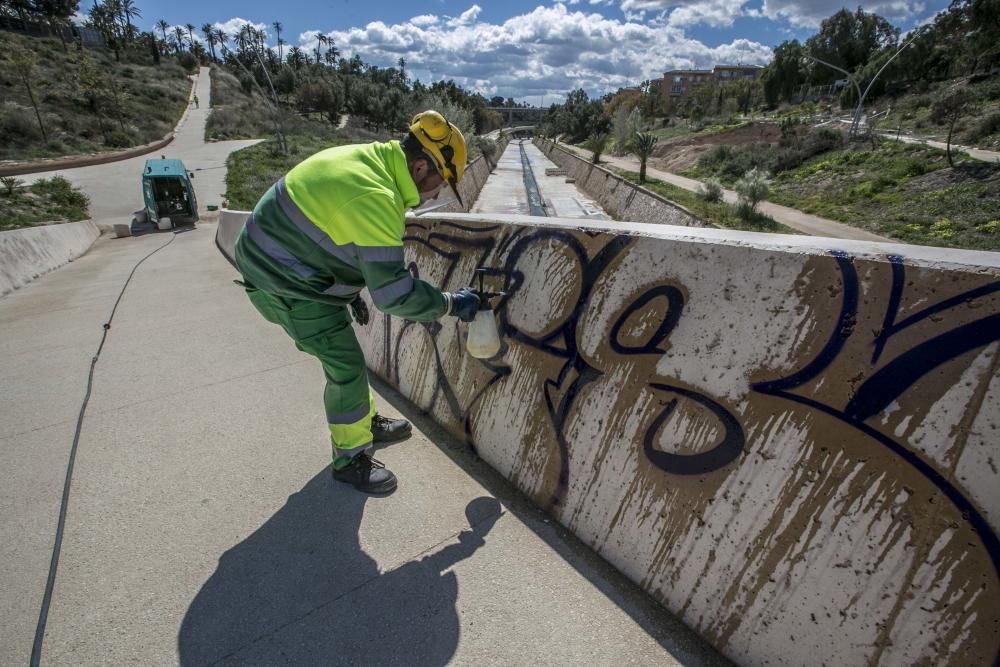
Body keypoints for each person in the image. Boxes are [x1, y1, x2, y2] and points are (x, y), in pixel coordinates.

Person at [234, 111, 481, 494]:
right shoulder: (378, 197)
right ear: (420, 167)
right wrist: (449, 303)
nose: (437, 194)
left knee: (347, 357)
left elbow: (332, 233)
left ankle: (363, 422)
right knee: (345, 365)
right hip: (282, 283)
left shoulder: (373, 161)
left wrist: (346, 294)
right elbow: (395, 294)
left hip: (285, 264)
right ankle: (350, 458)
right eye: (441, 184)